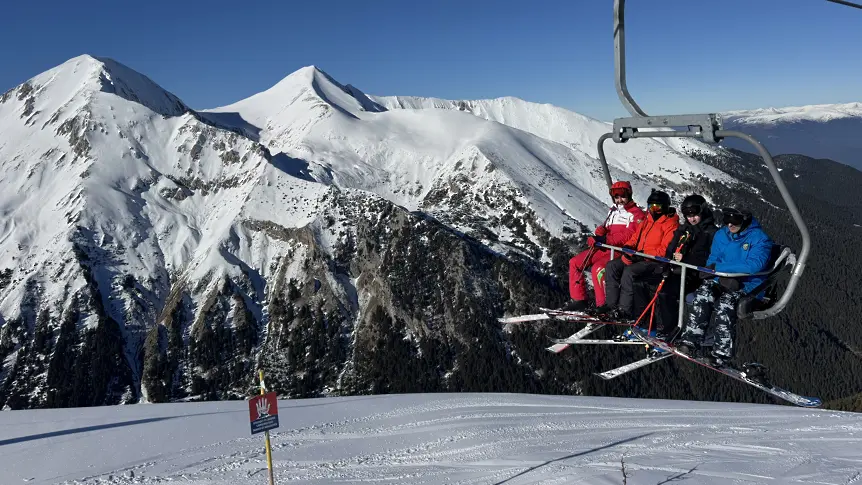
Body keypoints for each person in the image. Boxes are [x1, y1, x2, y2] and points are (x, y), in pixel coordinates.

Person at [676, 207, 774, 366]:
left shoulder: (759, 239)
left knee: (725, 303)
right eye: (726, 219)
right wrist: (712, 272)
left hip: (748, 285)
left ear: (745, 221)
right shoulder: (722, 234)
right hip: (723, 280)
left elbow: (754, 265)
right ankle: (691, 340)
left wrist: (720, 269)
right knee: (703, 294)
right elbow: (713, 258)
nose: (730, 224)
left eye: (735, 221)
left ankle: (722, 353)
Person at [594, 189, 679, 321]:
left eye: (657, 207)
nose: (653, 210)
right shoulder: (647, 220)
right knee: (612, 266)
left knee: (629, 271)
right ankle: (610, 305)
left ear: (665, 206)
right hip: (637, 256)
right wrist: (628, 247)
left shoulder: (670, 224)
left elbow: (664, 250)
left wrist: (640, 255)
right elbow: (635, 237)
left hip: (654, 261)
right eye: (651, 206)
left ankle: (624, 310)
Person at [562, 181, 645, 311]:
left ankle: (603, 306)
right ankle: (580, 300)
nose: (620, 200)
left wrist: (606, 238)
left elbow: (629, 236)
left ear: (629, 195)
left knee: (598, 269)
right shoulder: (613, 212)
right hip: (605, 247)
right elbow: (606, 228)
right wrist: (600, 232)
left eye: (622, 196)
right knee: (575, 263)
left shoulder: (636, 214)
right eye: (616, 197)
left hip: (619, 250)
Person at [646, 194, 719, 336]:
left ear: (702, 211)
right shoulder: (684, 230)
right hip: (679, 270)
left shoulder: (711, 233)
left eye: (695, 215)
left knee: (667, 291)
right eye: (688, 215)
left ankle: (671, 329)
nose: (691, 219)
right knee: (646, 283)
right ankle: (650, 324)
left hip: (695, 276)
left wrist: (685, 259)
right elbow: (671, 248)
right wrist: (666, 263)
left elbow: (708, 258)